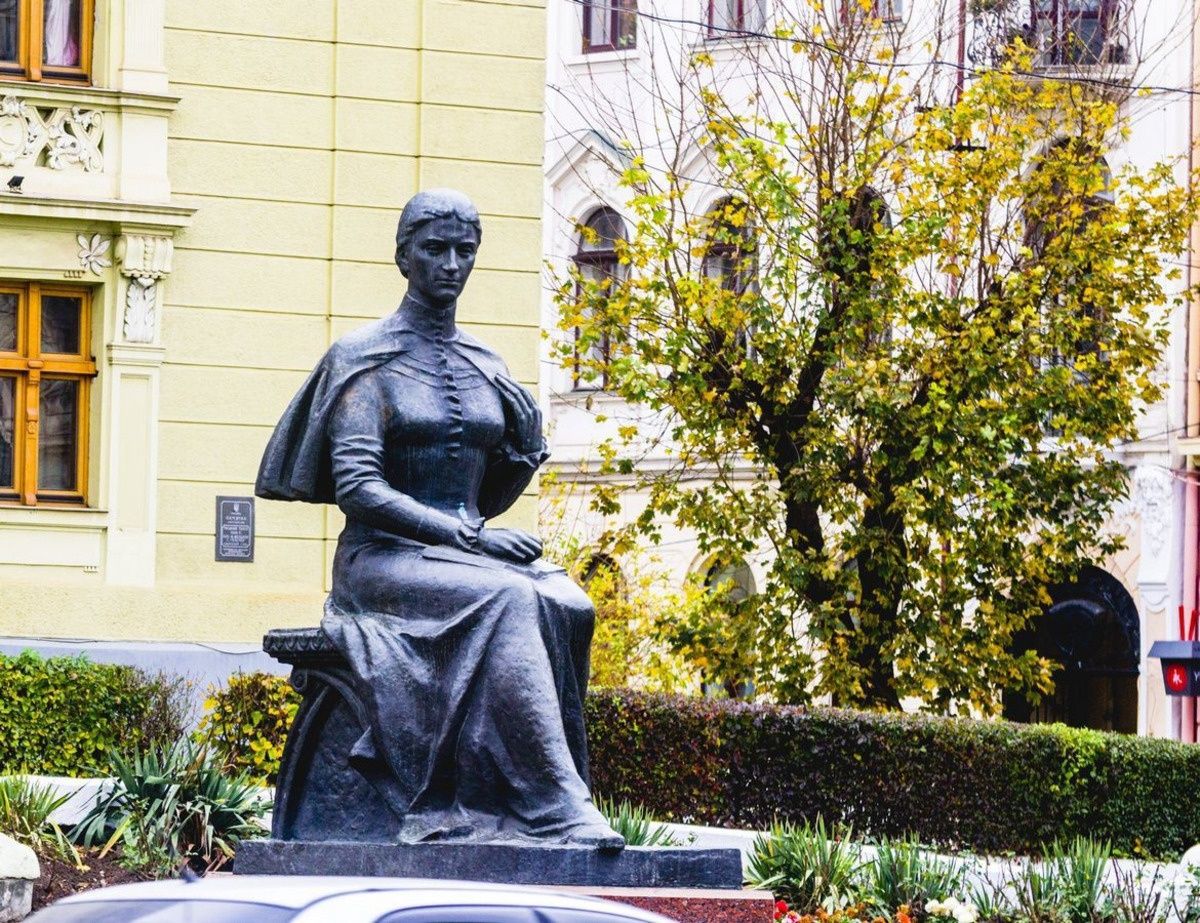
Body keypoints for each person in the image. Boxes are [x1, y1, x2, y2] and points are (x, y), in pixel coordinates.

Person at [257, 189, 623, 850]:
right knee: (511, 597)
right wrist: (466, 534)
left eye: (464, 250)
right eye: (435, 249)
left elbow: (487, 497)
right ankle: (553, 808)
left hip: (464, 556)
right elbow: (359, 488)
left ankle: (518, 796)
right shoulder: (363, 358)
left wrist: (525, 449)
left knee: (569, 603)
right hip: (381, 560)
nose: (451, 264)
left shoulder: (486, 364)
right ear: (404, 256)